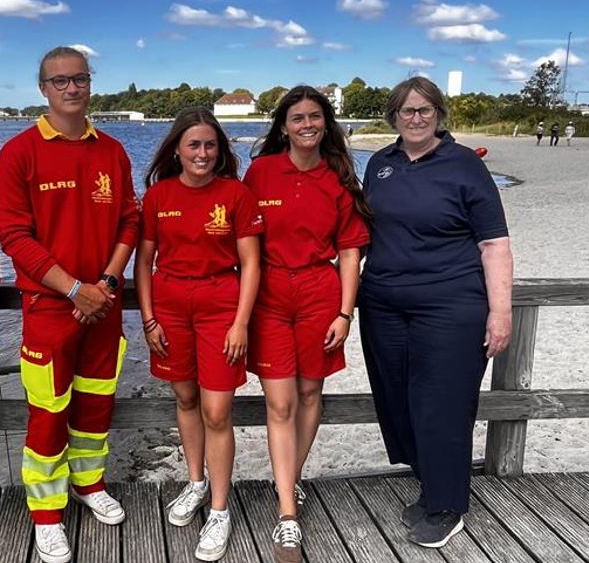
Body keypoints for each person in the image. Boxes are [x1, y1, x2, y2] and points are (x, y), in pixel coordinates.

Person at [0, 46, 140, 563]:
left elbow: (129, 221)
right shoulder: (20, 152)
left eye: (80, 79)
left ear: (91, 83)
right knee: (49, 411)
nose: (71, 89)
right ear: (43, 88)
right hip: (52, 307)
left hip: (103, 303)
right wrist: (74, 289)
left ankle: (89, 483)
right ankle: (47, 513)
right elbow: (14, 235)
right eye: (60, 81)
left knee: (97, 402)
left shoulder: (113, 151)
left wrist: (103, 282)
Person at [359, 76, 513, 549]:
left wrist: (500, 311)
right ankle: (432, 484)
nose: (417, 117)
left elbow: (493, 243)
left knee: (442, 402)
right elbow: (360, 234)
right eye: (408, 110)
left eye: (425, 109)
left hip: (451, 304)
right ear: (394, 116)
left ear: (439, 114)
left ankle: (448, 506)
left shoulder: (466, 165)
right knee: (398, 397)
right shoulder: (379, 165)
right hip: (383, 304)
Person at [243, 86, 370, 562]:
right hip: (271, 297)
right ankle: (288, 514)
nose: (307, 125)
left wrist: (345, 311)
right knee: (279, 402)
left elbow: (351, 249)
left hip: (321, 295)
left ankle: (288, 483)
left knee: (311, 394)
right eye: (297, 118)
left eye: (315, 117)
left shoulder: (337, 176)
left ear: (326, 123)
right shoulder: (259, 172)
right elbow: (237, 236)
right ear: (283, 126)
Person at [136, 107, 262, 562]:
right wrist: (149, 319)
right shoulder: (158, 196)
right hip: (170, 310)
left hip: (220, 309)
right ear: (177, 150)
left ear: (220, 150)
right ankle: (195, 482)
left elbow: (251, 263)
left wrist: (241, 322)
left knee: (216, 410)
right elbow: (144, 262)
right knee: (185, 399)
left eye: (210, 145)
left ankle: (220, 508)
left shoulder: (236, 194)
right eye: (194, 145)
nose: (203, 153)